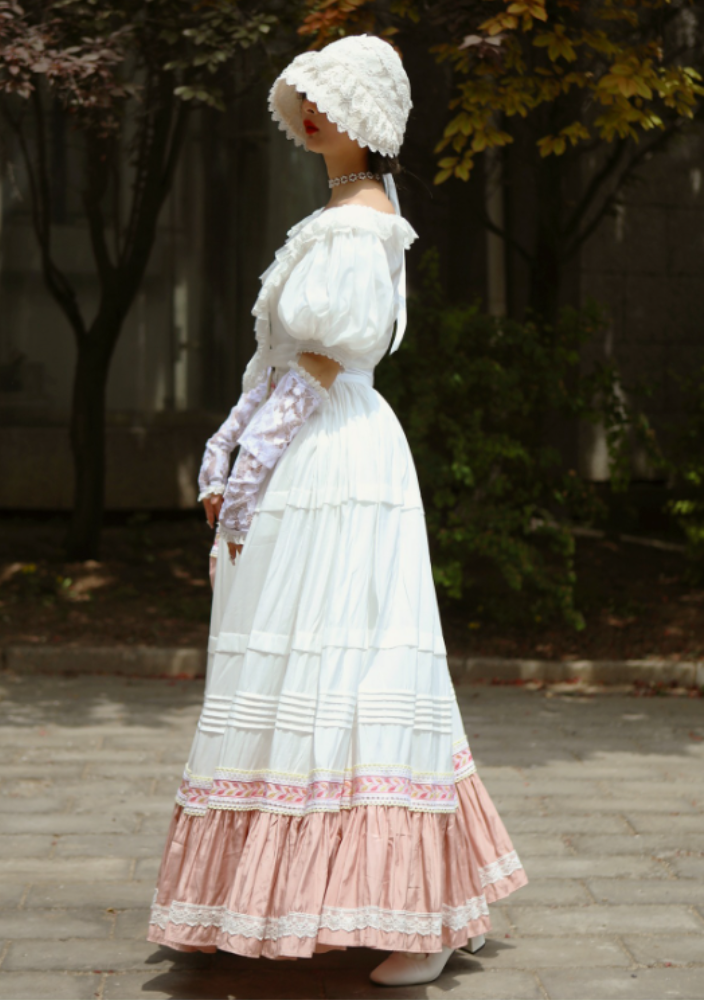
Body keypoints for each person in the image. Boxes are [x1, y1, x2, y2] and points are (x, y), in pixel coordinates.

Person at [147, 34, 527, 987]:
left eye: (331, 101)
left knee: (349, 654)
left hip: (333, 452)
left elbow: (320, 358)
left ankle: (420, 914)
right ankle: (279, 898)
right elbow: (277, 361)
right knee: (304, 657)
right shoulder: (334, 212)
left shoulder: (362, 223)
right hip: (308, 440)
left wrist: (252, 460)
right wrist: (227, 447)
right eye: (304, 98)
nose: (311, 114)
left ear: (369, 121)